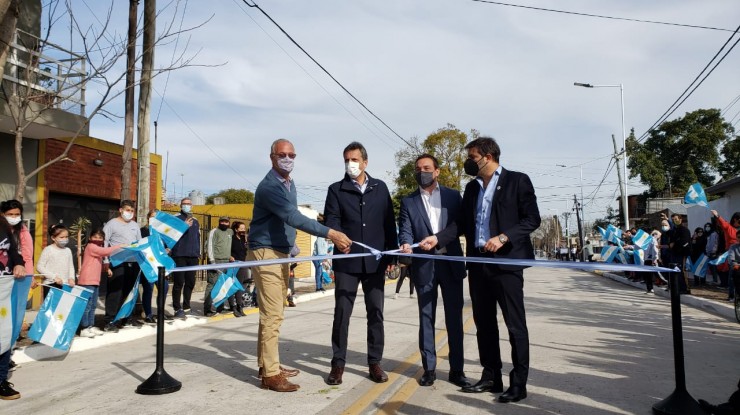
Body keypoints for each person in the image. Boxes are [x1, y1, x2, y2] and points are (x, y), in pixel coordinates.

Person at [423, 136, 541, 403]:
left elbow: (532, 219)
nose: (469, 162)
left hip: (507, 264)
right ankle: (491, 376)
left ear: (488, 157)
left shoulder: (517, 181)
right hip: (478, 264)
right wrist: (437, 238)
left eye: (473, 157)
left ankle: (519, 383)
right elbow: (461, 224)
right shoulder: (472, 188)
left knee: (514, 325)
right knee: (484, 323)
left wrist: (503, 237)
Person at [248, 138, 351, 392]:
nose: (288, 159)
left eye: (292, 155)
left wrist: (291, 244)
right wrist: (332, 234)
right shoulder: (270, 186)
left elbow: (285, 221)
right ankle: (270, 375)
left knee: (272, 312)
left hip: (280, 253)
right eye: (282, 154)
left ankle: (267, 364)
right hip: (266, 254)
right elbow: (292, 216)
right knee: (273, 314)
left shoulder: (288, 184)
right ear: (271, 156)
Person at [324, 141, 398, 387]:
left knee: (375, 313)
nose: (350, 164)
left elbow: (389, 223)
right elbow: (332, 221)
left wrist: (391, 256)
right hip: (347, 262)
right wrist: (339, 239)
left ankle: (375, 362)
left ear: (365, 162)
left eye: (354, 160)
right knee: (342, 314)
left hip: (375, 264)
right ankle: (338, 364)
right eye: (346, 160)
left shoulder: (380, 187)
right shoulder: (336, 190)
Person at [398, 153, 469, 388]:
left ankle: (457, 370)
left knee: (454, 319)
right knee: (426, 318)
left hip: (450, 263)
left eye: (427, 168)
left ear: (437, 171)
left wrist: (437, 239)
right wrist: (406, 243)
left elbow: (459, 226)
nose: (422, 172)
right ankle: (429, 368)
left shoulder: (452, 196)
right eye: (418, 168)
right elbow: (405, 229)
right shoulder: (409, 201)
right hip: (424, 266)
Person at [102, 200, 142, 331]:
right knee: (115, 291)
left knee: (130, 292)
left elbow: (139, 243)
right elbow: (104, 242)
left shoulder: (135, 225)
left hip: (133, 262)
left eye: (132, 211)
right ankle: (110, 321)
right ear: (120, 210)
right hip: (117, 262)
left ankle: (127, 318)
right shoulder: (111, 224)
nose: (129, 213)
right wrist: (106, 261)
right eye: (127, 210)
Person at [77, 228, 124, 337]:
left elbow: (95, 262)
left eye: (100, 238)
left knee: (93, 305)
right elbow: (104, 252)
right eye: (95, 237)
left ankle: (90, 326)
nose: (97, 239)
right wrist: (119, 246)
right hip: (87, 280)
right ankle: (84, 328)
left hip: (95, 280)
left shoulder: (96, 248)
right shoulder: (91, 247)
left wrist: (106, 268)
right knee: (87, 306)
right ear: (90, 238)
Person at [0, 215, 26, 400]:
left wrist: (18, 264)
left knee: (4, 333)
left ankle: (0, 380)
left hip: (4, 288)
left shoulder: (2, 224)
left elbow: (13, 251)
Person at [169, 198, 201, 319]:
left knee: (190, 282)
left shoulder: (196, 220)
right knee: (178, 283)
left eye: (189, 204)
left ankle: (186, 306)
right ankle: (177, 308)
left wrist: (198, 252)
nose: (187, 206)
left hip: (193, 256)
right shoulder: (175, 218)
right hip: (180, 254)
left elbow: (198, 237)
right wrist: (183, 226)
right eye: (185, 204)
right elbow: (171, 235)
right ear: (181, 205)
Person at [205, 216, 233, 317]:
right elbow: (209, 246)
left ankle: (220, 308)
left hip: (227, 261)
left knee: (223, 286)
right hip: (216, 261)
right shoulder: (214, 231)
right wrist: (212, 261)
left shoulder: (230, 232)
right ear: (219, 222)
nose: (224, 223)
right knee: (211, 285)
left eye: (226, 222)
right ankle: (207, 309)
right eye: (222, 221)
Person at [36, 224, 76, 294]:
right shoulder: (48, 249)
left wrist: (71, 278)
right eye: (61, 237)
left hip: (65, 284)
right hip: (51, 284)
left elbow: (71, 266)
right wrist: (54, 277)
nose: (65, 239)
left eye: (66, 237)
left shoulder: (68, 250)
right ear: (53, 238)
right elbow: (39, 267)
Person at [711, 210, 740, 300]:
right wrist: (717, 215)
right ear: (735, 219)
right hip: (732, 252)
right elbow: (723, 223)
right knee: (732, 275)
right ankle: (731, 295)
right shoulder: (729, 227)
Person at [0, 200, 33, 277]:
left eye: (17, 214)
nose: (14, 217)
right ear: (3, 214)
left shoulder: (23, 231)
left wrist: (29, 277)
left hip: (16, 273)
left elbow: (27, 257)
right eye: (10, 214)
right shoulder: (3, 229)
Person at [663, 212, 692, 295]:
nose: (674, 221)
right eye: (673, 220)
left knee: (681, 271)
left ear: (680, 219)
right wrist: (666, 221)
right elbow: (669, 233)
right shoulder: (674, 230)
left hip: (681, 253)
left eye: (676, 219)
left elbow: (684, 242)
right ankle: (678, 287)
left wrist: (675, 244)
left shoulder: (684, 230)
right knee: (675, 271)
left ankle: (685, 288)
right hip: (674, 253)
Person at [229, 221, 249, 317]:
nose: (243, 230)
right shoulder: (232, 239)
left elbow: (247, 251)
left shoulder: (243, 239)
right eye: (241, 229)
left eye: (244, 229)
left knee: (239, 286)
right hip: (233, 264)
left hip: (242, 264)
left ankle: (239, 306)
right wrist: (230, 256)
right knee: (232, 285)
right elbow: (228, 250)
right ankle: (232, 306)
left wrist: (246, 241)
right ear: (236, 229)